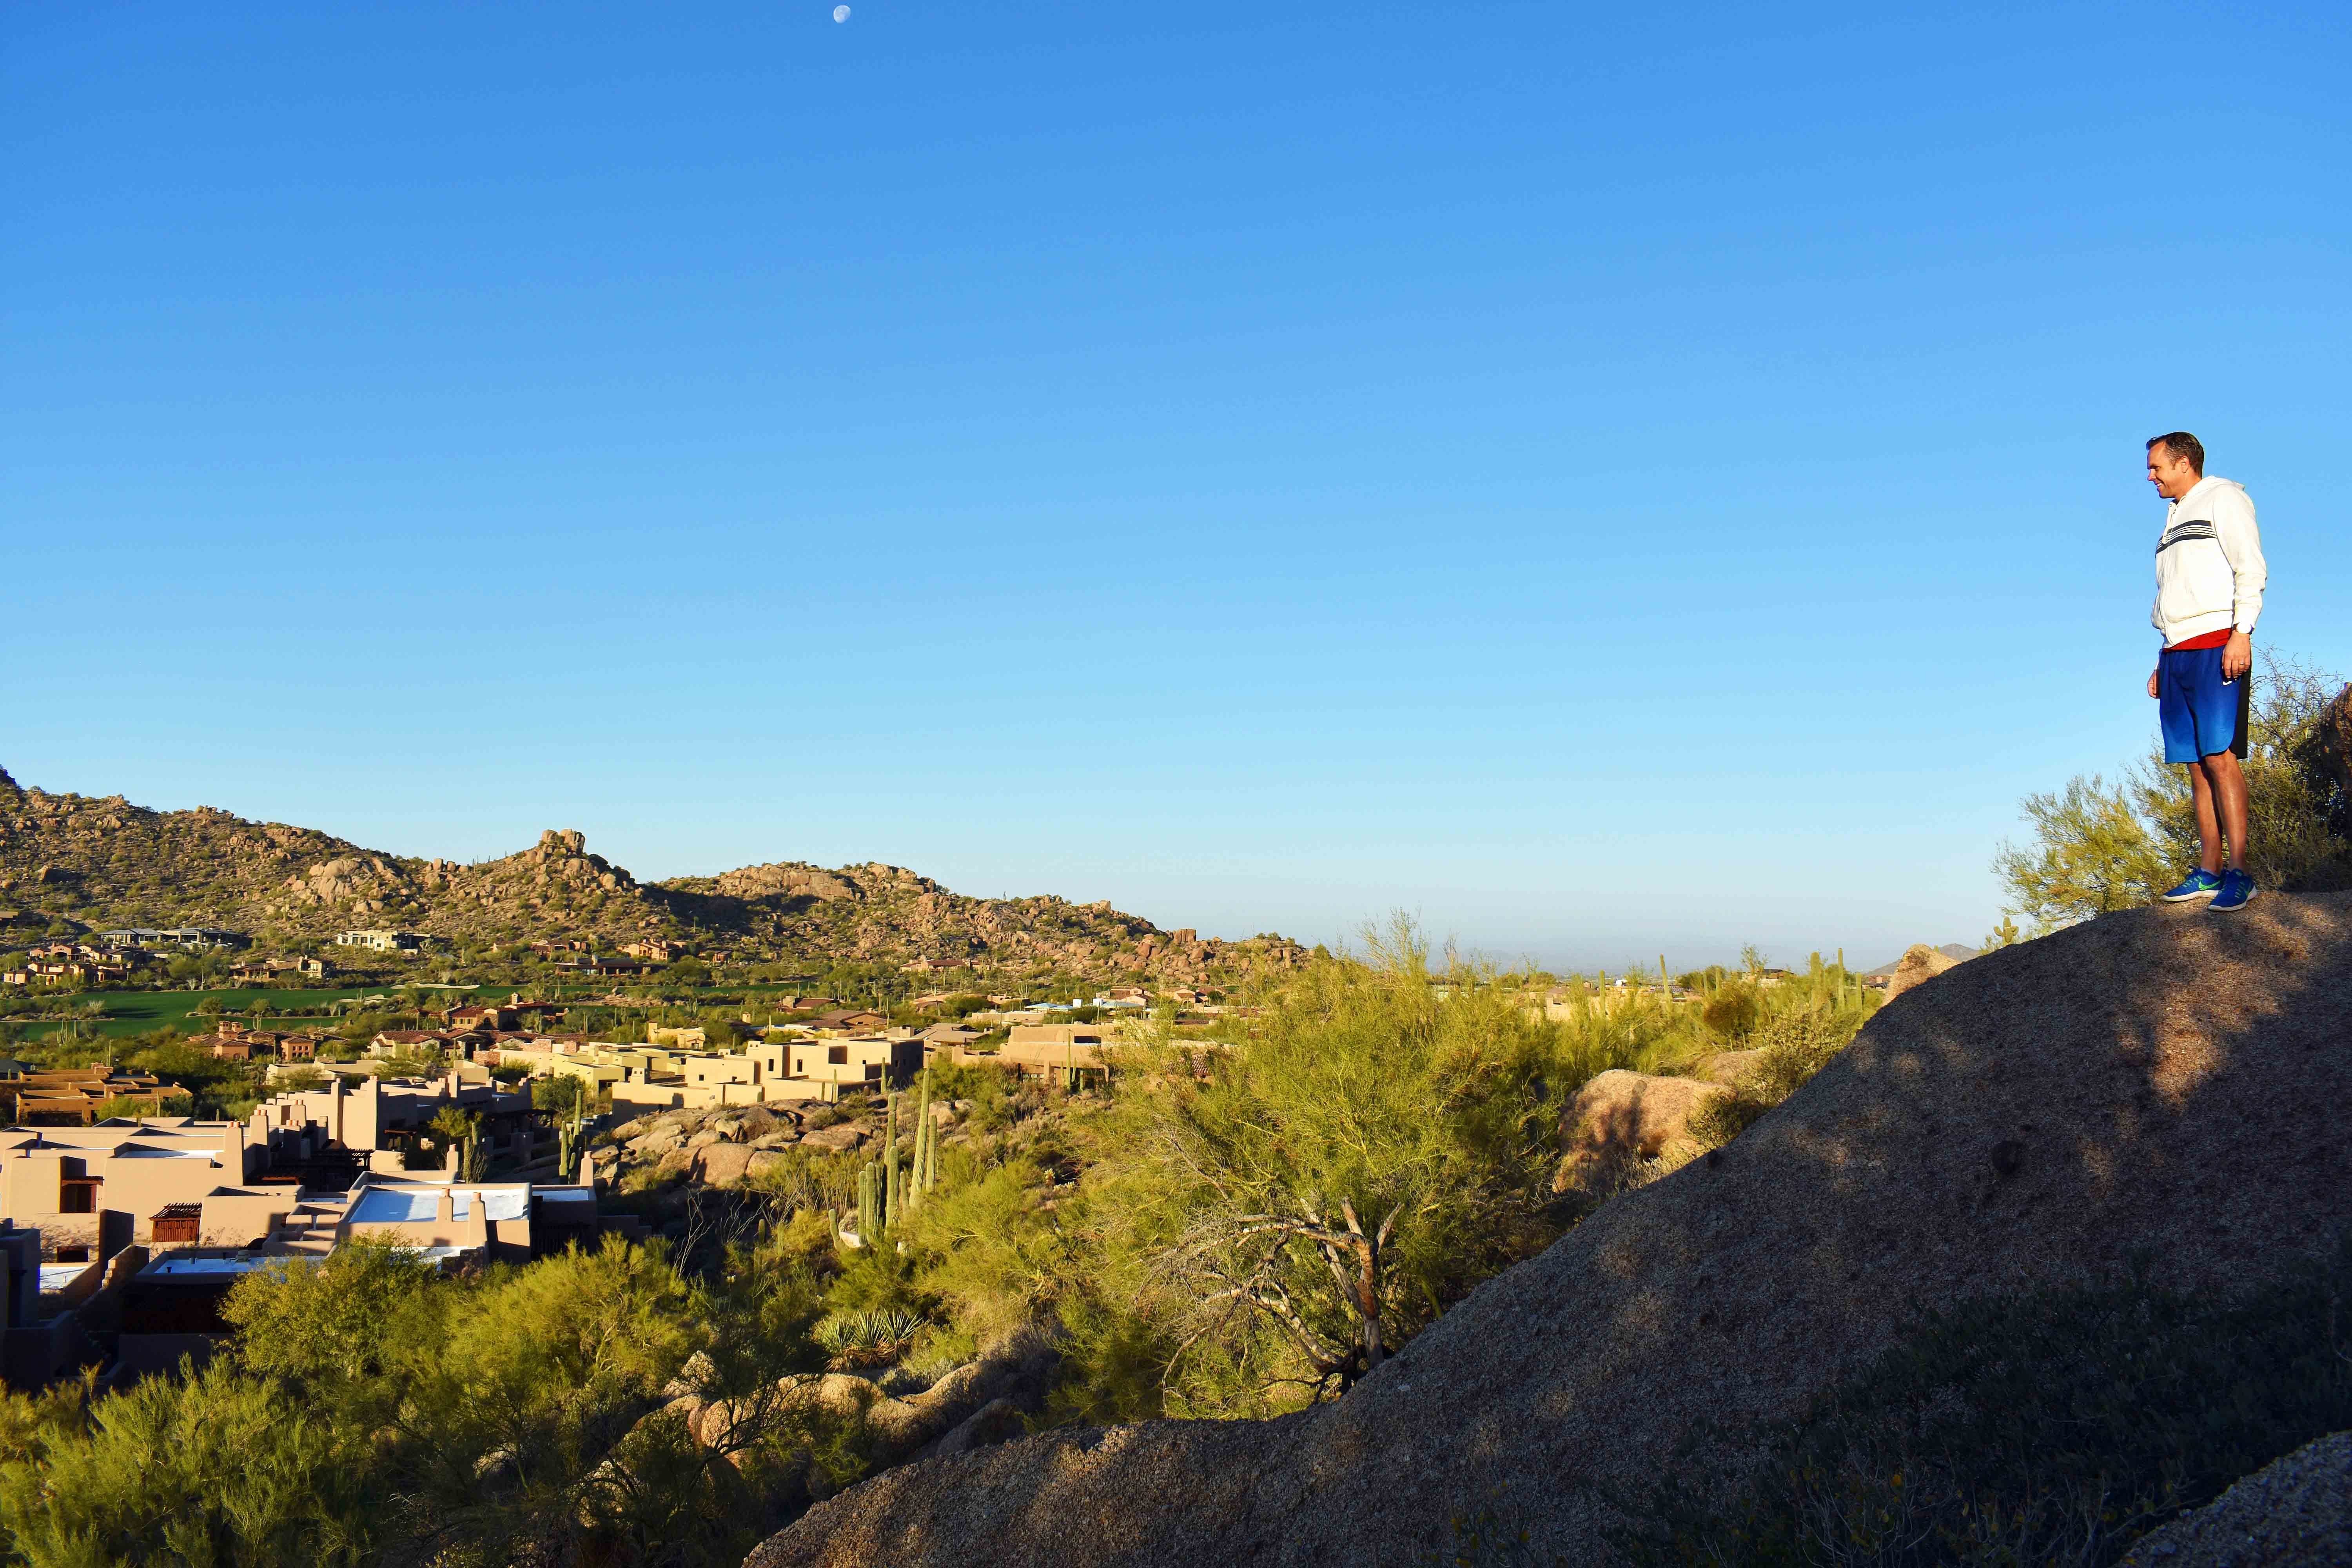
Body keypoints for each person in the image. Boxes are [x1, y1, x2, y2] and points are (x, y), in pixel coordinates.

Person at [2145, 431, 2266, 911]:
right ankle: (2209, 871)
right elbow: (2174, 591)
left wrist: (2243, 632)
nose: (2150, 476)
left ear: (2183, 464)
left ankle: (2240, 873)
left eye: (2156, 467)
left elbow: (2250, 568)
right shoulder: (2172, 518)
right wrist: (2163, 654)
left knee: (2220, 757)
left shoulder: (2225, 498)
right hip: (2176, 652)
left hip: (2218, 644)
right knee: (2195, 766)